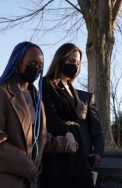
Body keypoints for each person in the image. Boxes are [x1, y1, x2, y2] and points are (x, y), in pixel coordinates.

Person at [0, 41, 79, 188]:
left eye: (40, 66)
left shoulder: (36, 98)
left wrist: (63, 144)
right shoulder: (3, 92)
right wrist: (28, 167)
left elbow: (36, 137)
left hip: (31, 181)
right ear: (18, 61)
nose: (36, 68)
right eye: (32, 63)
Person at [40, 43, 104, 188]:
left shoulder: (72, 88)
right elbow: (49, 114)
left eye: (77, 62)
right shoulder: (47, 83)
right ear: (60, 60)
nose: (74, 65)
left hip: (78, 145)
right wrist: (65, 132)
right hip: (58, 144)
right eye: (71, 61)